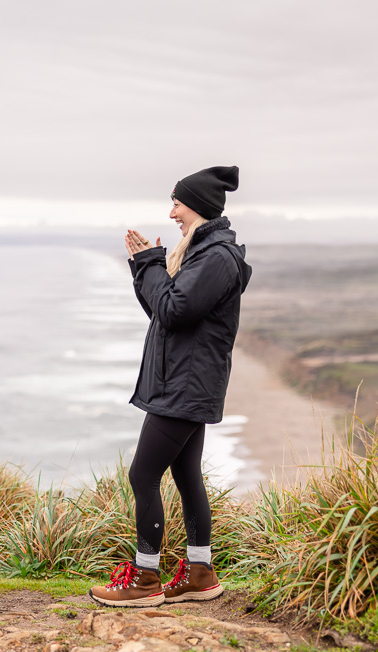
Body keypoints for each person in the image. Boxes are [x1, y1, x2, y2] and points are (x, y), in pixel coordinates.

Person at [89, 166, 252, 607]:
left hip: (185, 384)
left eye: (177, 202)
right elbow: (164, 312)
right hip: (183, 381)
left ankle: (145, 580)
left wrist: (150, 265)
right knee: (184, 472)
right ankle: (199, 573)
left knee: (143, 474)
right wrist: (146, 269)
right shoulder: (200, 252)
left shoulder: (215, 257)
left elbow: (175, 310)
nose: (172, 211)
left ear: (195, 204)